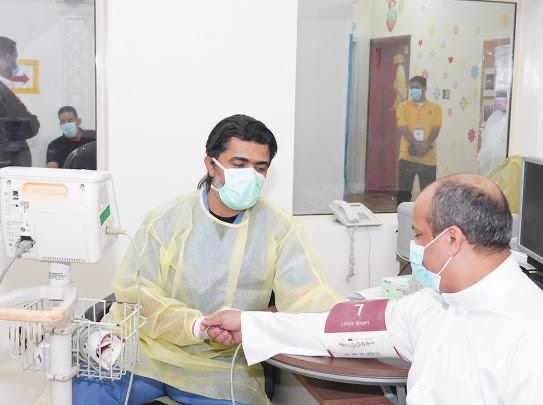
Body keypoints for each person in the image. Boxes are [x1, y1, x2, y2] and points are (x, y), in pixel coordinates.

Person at [72, 114, 343, 405]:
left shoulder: (281, 230)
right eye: (239, 164)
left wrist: (254, 321)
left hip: (222, 367)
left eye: (260, 168)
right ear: (211, 165)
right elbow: (135, 293)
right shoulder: (166, 220)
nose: (250, 175)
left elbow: (310, 301)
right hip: (147, 352)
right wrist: (194, 325)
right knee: (80, 395)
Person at [203, 173, 543, 405]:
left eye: (418, 235)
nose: (414, 247)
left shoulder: (530, 335)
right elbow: (340, 329)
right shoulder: (435, 304)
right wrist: (248, 323)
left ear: (452, 239)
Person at [396, 76, 442, 205]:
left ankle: (424, 219)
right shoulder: (402, 107)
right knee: (403, 194)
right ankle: (401, 218)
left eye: (416, 87)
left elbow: (436, 129)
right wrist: (417, 144)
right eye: (411, 88)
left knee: (428, 196)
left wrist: (426, 145)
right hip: (407, 157)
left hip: (428, 158)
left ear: (425, 88)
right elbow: (403, 127)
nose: (413, 90)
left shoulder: (435, 108)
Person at [0, 36, 40, 167]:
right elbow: (31, 125)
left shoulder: (5, 88)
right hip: (7, 164)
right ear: (8, 58)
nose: (15, 64)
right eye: (15, 58)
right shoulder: (3, 91)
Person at [477, 98, 508, 175]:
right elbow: (485, 136)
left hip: (502, 162)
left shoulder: (511, 117)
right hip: (488, 162)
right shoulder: (495, 116)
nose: (498, 101)